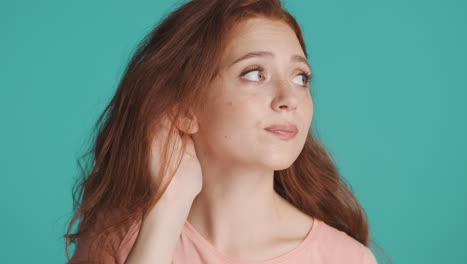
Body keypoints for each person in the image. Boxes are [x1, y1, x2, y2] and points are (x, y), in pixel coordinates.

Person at [65, 0, 382, 263]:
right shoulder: (115, 243)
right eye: (255, 73)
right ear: (185, 108)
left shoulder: (347, 259)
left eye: (301, 77)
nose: (289, 99)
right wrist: (168, 207)